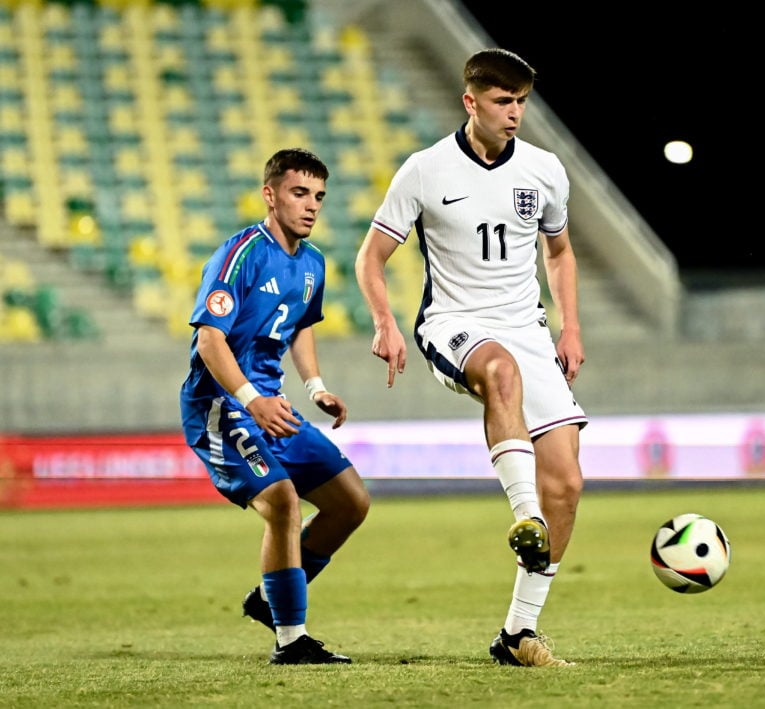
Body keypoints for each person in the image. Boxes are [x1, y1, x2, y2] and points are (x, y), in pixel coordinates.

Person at [354, 48, 585, 667]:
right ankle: (523, 515)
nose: (514, 114)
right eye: (503, 102)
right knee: (500, 373)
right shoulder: (426, 170)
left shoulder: (544, 171)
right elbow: (370, 256)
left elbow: (559, 253)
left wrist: (571, 329)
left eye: (521, 103)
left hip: (527, 329)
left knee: (565, 482)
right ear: (471, 101)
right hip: (454, 324)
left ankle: (518, 634)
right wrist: (385, 322)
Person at [180, 148, 370, 665]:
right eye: (299, 193)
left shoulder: (312, 262)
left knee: (351, 502)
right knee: (283, 501)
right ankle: (291, 639)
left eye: (319, 197)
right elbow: (209, 342)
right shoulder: (241, 254)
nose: (311, 206)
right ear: (270, 195)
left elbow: (300, 325)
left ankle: (271, 597)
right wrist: (251, 400)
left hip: (273, 404)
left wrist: (315, 387)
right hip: (220, 406)